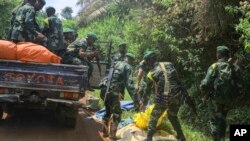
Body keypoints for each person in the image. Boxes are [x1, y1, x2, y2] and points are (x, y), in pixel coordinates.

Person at [200, 46, 242, 141]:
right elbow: (240, 84)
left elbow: (206, 83)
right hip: (229, 100)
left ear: (219, 54)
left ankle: (216, 139)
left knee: (214, 120)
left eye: (217, 52)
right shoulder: (235, 67)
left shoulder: (215, 66)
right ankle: (222, 138)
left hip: (215, 99)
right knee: (222, 119)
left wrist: (202, 88)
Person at [143, 51, 186, 141]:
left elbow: (147, 90)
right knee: (172, 116)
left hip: (164, 96)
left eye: (146, 61)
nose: (146, 63)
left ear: (150, 61)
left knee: (154, 117)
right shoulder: (169, 64)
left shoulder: (151, 73)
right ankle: (181, 137)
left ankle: (149, 138)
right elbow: (177, 78)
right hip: (177, 95)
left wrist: (143, 102)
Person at [100, 53, 136, 140]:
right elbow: (129, 84)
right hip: (113, 92)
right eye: (132, 62)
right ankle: (112, 136)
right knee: (117, 114)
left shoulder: (116, 63)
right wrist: (135, 99)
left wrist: (121, 93)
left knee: (108, 111)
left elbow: (115, 78)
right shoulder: (127, 67)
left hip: (104, 90)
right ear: (130, 60)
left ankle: (105, 133)